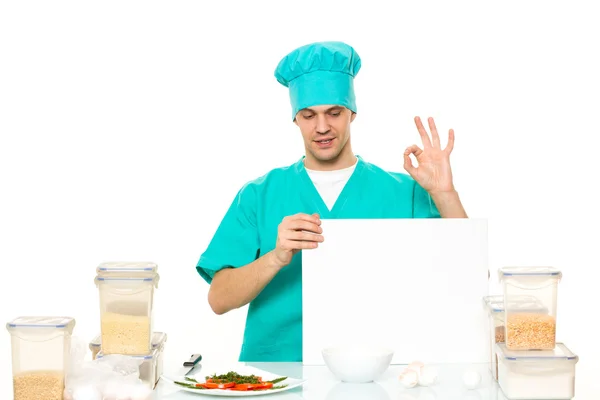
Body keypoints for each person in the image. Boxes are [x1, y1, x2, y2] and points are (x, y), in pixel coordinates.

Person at [195, 41, 468, 362]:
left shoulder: (402, 191)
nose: (322, 127)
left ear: (352, 112)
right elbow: (219, 299)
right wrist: (276, 257)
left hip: (376, 369)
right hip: (278, 371)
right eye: (309, 115)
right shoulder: (259, 194)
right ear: (295, 118)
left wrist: (445, 194)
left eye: (334, 113)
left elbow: (465, 274)